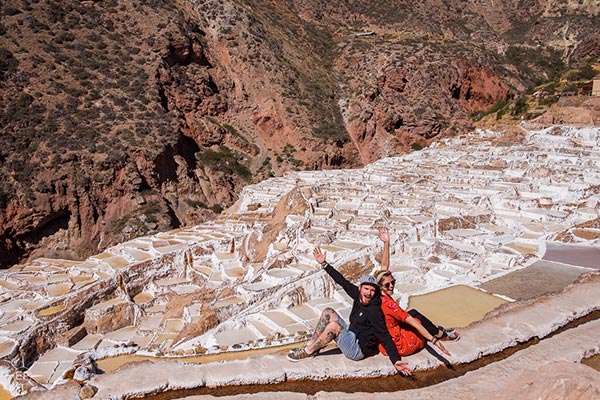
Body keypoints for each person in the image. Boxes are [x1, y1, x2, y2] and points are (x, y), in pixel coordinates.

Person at [287, 247, 412, 376]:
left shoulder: (374, 310)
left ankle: (307, 351)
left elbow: (384, 335)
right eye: (366, 289)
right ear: (360, 288)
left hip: (358, 349)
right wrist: (324, 264)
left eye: (372, 290)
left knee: (334, 327)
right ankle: (312, 345)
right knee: (328, 312)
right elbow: (342, 281)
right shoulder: (357, 296)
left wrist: (396, 360)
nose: (368, 293)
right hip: (352, 336)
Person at [374, 227, 459, 368]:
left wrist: (386, 243)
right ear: (381, 287)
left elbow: (383, 268)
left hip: (385, 339)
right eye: (388, 285)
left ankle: (437, 330)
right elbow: (413, 322)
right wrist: (434, 340)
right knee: (415, 316)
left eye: (393, 282)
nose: (391, 286)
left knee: (412, 313)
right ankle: (440, 334)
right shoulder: (390, 305)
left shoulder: (376, 293)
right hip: (401, 345)